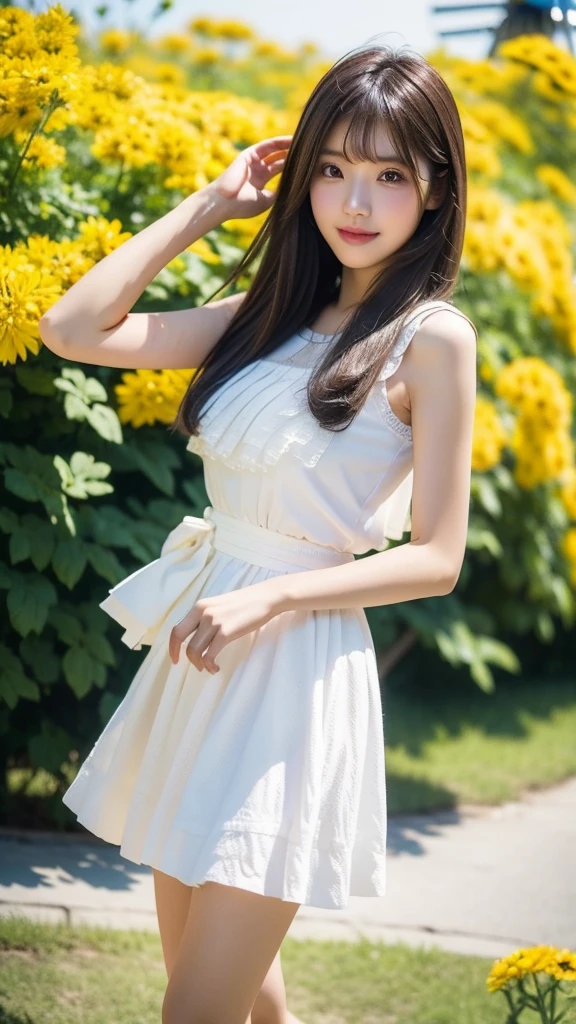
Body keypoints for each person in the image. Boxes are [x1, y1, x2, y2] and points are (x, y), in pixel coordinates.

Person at [39, 40, 478, 1024]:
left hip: (293, 681)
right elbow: (72, 328)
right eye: (330, 169)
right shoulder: (270, 316)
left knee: (193, 1012)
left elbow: (438, 557)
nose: (352, 203)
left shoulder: (433, 340)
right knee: (229, 999)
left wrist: (273, 594)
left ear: (436, 191)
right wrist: (210, 205)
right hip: (200, 664)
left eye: (387, 176)